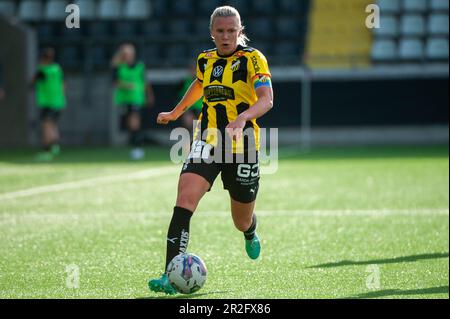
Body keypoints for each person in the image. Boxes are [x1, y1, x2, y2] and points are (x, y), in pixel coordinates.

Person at [148, 6, 274, 295]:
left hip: (242, 148)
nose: (226, 36)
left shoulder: (253, 59)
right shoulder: (205, 60)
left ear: (240, 31)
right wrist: (176, 111)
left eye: (232, 30)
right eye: (220, 31)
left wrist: (243, 117)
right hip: (207, 141)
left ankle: (251, 231)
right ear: (212, 33)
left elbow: (267, 100)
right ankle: (169, 273)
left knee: (240, 220)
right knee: (184, 200)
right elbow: (199, 84)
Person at [112, 43, 155, 160]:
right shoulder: (118, 67)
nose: (128, 56)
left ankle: (138, 147)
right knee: (130, 124)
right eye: (125, 54)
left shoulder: (139, 66)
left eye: (130, 53)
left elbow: (145, 82)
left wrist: (149, 95)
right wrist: (126, 85)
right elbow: (115, 82)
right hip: (124, 99)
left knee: (134, 122)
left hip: (136, 98)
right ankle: (135, 145)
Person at [32, 47, 66, 161]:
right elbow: (63, 84)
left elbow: (31, 82)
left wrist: (39, 66)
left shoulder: (42, 70)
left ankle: (47, 150)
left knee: (46, 126)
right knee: (53, 126)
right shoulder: (57, 68)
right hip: (58, 101)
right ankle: (55, 148)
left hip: (47, 102)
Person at [178, 64, 203, 155]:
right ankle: (187, 149)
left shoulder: (205, 81)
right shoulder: (184, 82)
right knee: (188, 127)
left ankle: (198, 149)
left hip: (201, 108)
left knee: (200, 130)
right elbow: (179, 96)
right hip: (189, 109)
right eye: (191, 70)